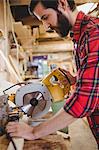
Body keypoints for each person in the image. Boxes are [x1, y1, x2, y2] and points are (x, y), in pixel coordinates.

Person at [6, 0, 99, 148]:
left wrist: (33, 132)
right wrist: (76, 80)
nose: (46, 26)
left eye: (45, 17)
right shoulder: (80, 37)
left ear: (62, 4)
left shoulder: (93, 33)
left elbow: (85, 100)